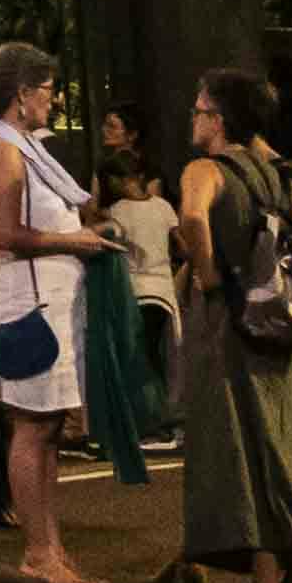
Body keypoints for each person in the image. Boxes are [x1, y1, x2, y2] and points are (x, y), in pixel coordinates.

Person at [173, 65, 292, 583]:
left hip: (230, 321)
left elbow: (193, 219)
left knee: (243, 446)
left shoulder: (206, 169)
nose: (194, 117)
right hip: (282, 325)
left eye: (200, 109)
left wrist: (207, 279)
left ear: (219, 118)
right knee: (290, 441)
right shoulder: (275, 177)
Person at [0, 43, 104, 583]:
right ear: (21, 94)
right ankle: (39, 552)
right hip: (28, 304)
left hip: (50, 300)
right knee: (32, 426)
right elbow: (6, 236)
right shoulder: (1, 151)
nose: (54, 98)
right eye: (47, 88)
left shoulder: (26, 147)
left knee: (46, 430)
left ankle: (51, 548)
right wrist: (76, 240)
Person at [81, 145, 174, 486]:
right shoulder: (163, 207)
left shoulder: (116, 211)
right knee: (155, 358)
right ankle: (159, 421)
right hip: (163, 292)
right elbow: (182, 242)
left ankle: (148, 422)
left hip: (132, 292)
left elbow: (95, 229)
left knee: (136, 359)